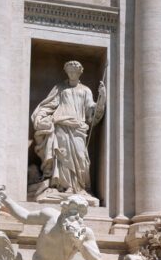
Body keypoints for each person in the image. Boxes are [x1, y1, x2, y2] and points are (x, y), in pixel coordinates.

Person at [1, 194, 113, 260]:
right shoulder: (50, 216)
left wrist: (79, 241)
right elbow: (26, 216)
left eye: (81, 212)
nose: (77, 216)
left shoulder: (85, 233)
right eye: (73, 210)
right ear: (64, 209)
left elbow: (96, 259)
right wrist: (6, 200)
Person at [30, 60, 105, 199]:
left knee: (81, 157)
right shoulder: (60, 88)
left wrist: (102, 98)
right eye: (69, 71)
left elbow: (91, 111)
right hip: (61, 125)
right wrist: (40, 116)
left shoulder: (86, 90)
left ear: (80, 72)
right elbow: (49, 104)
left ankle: (79, 187)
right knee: (62, 156)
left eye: (74, 71)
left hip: (78, 128)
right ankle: (64, 186)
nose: (72, 73)